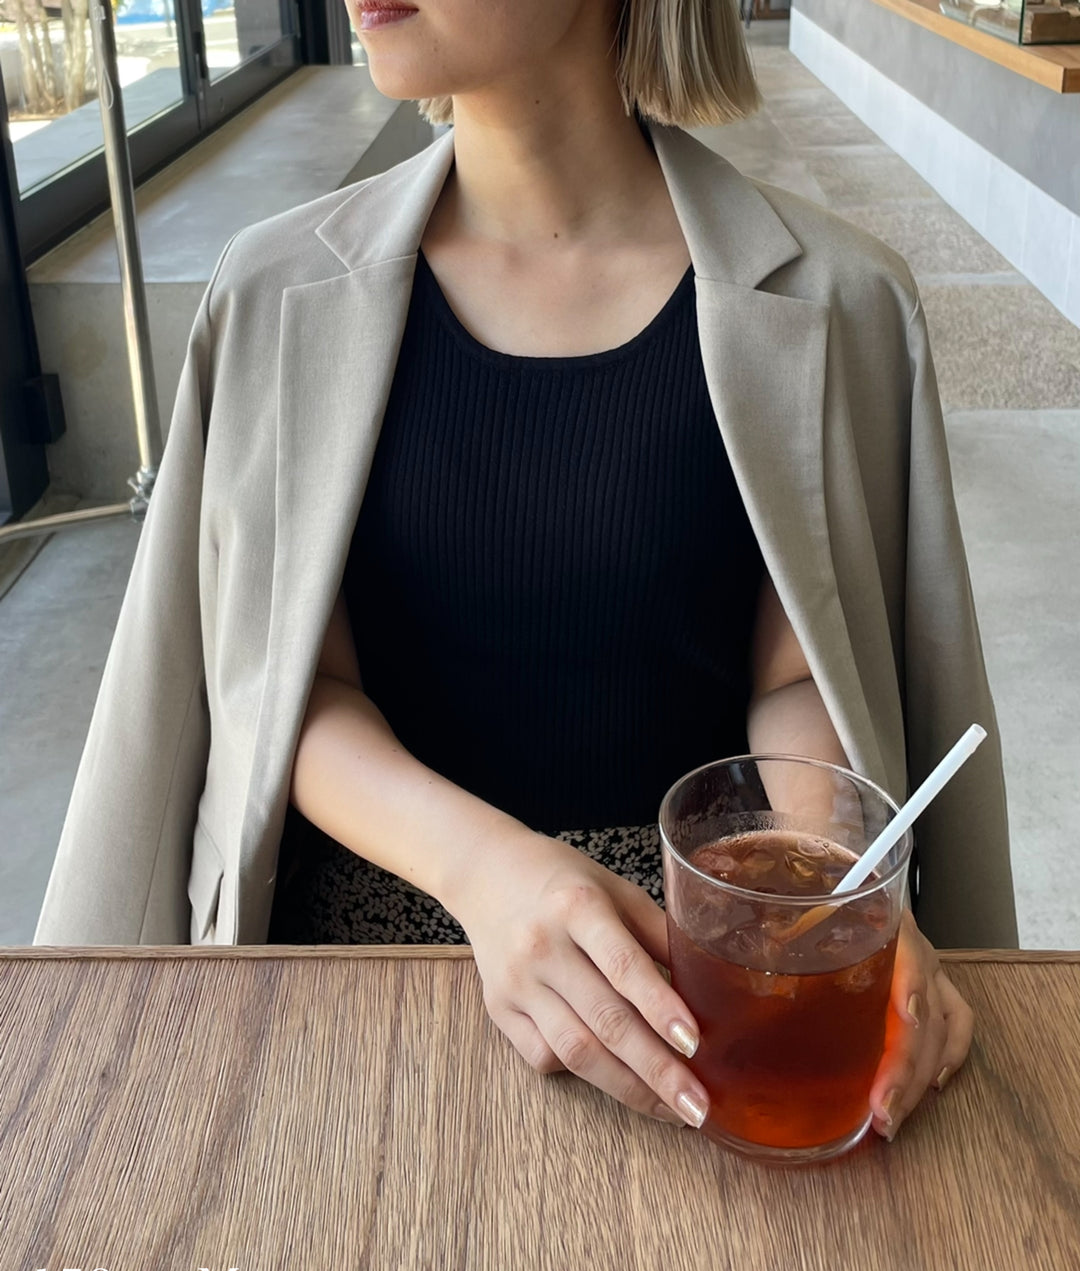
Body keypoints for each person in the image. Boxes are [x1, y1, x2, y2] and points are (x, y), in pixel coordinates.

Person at [35, 0, 1016, 1144]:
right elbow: (285, 693)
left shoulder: (837, 304)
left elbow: (797, 674)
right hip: (361, 987)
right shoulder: (274, 296)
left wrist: (825, 886)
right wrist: (493, 873)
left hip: (694, 994)